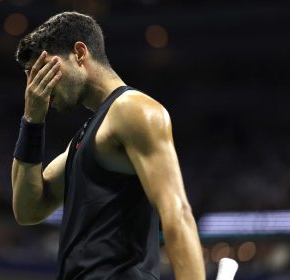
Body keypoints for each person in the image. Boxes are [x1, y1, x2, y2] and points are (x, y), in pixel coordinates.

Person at [11, 12, 205, 280]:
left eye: (44, 72)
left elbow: (177, 213)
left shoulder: (133, 110)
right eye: (33, 77)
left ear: (80, 53)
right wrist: (32, 120)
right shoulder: (84, 137)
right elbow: (27, 208)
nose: (38, 87)